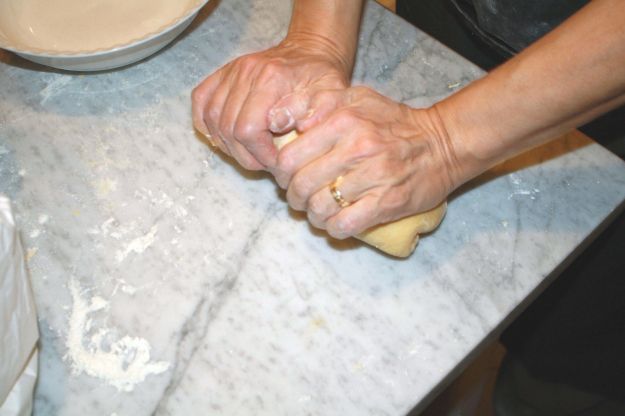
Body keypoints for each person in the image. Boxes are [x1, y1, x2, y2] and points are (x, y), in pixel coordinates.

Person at [192, 0, 625, 413]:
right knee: (432, 350)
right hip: (448, 23)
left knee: (557, 366)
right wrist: (316, 43)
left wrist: (443, 140)